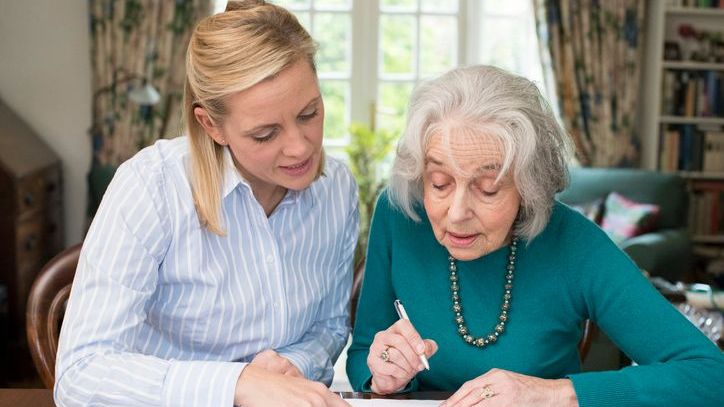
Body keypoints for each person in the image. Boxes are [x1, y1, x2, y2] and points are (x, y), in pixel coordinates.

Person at [346, 65, 724, 406]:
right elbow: (363, 353)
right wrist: (382, 375)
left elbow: (711, 376)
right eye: (440, 183)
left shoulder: (573, 243)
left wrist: (552, 393)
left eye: (489, 189)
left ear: (530, 187)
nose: (457, 213)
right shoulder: (399, 214)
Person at [55, 2, 357, 406]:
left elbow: (330, 326)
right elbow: (81, 374)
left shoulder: (337, 188)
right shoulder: (151, 188)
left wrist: (293, 365)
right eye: (265, 134)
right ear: (211, 125)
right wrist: (237, 384)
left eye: (309, 113)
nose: (300, 147)